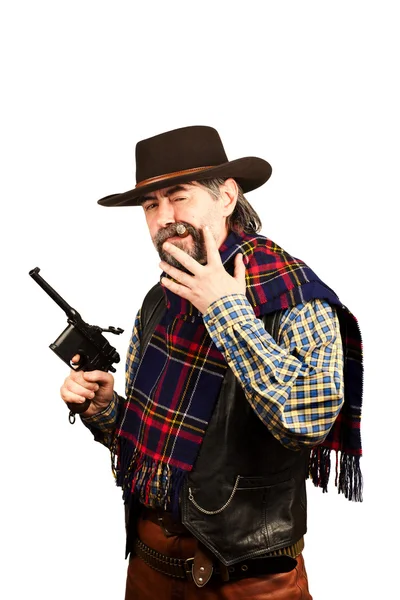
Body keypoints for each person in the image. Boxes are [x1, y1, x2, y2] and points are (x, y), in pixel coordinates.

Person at [60, 125, 363, 599]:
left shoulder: (293, 297)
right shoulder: (160, 302)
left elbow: (308, 420)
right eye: (150, 204)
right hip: (148, 570)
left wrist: (226, 311)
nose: (165, 217)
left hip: (250, 584)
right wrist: (104, 409)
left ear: (226, 196)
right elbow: (149, 455)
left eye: (179, 197)